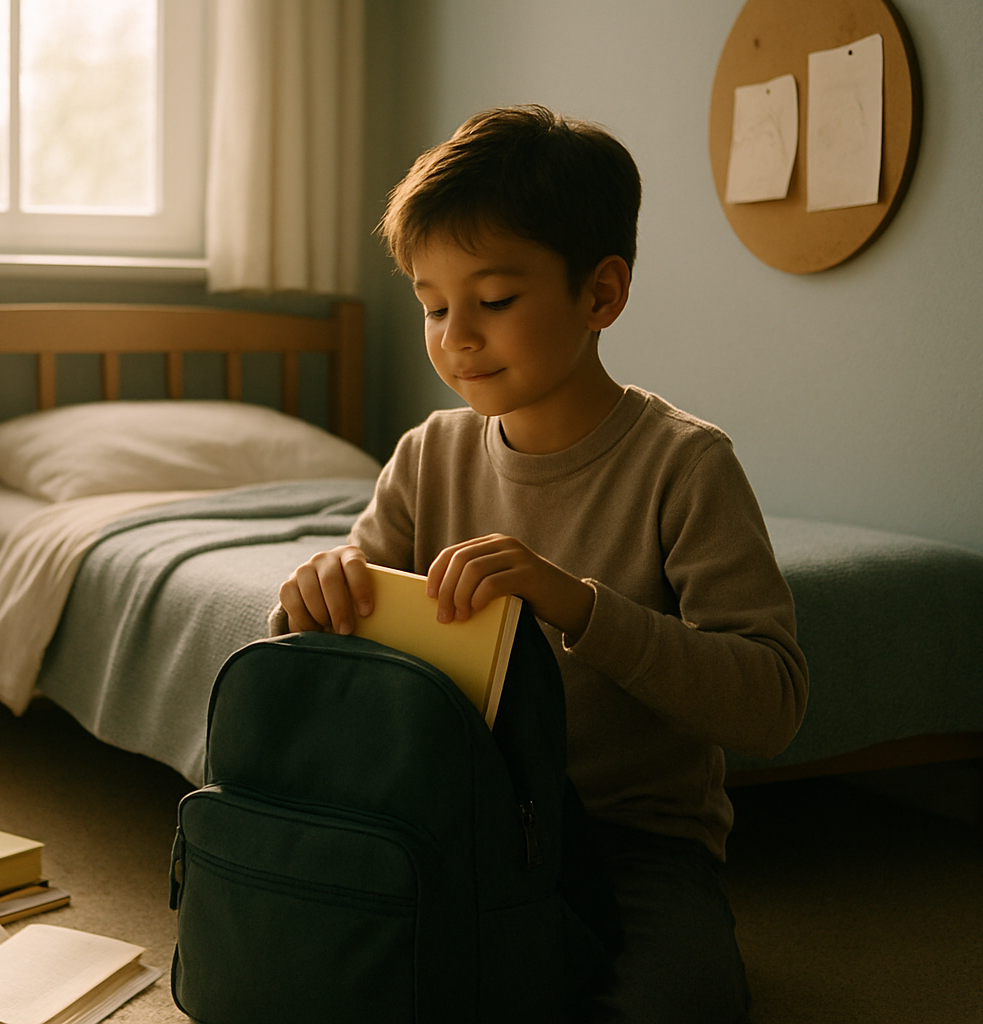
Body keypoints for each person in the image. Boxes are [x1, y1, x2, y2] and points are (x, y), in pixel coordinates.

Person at [276, 105, 809, 1023]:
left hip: (636, 838)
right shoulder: (427, 456)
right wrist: (307, 609)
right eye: (433, 306)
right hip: (454, 822)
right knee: (315, 969)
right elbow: (344, 680)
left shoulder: (687, 465)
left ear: (600, 296)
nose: (455, 337)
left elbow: (771, 703)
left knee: (677, 1004)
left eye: (492, 301)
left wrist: (578, 605)